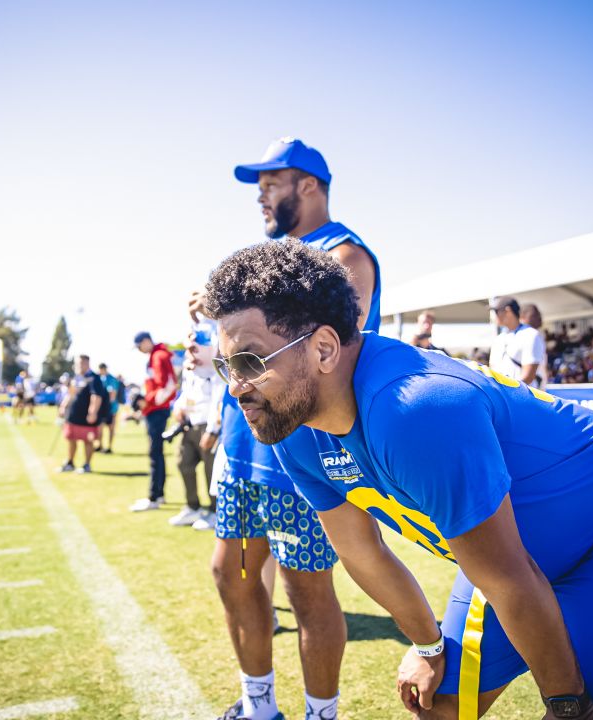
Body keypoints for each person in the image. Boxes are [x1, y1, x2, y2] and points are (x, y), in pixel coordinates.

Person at [204, 240, 593, 720]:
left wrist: (565, 702)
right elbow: (362, 554)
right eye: (226, 365)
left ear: (325, 349)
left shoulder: (414, 409)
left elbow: (509, 576)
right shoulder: (293, 426)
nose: (235, 388)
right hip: (511, 554)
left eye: (250, 361)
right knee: (440, 707)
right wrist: (427, 642)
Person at [188, 138, 379, 720]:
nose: (262, 199)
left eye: (272, 186)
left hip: (304, 463)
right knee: (234, 574)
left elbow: (333, 348)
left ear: (310, 186)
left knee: (307, 592)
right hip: (246, 449)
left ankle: (321, 714)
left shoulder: (346, 255)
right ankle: (258, 707)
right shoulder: (264, 259)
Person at [167, 325, 227, 528]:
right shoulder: (190, 369)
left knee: (211, 471)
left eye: (195, 348)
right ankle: (192, 507)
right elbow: (186, 393)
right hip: (189, 424)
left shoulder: (215, 369)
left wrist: (212, 430)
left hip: (206, 427)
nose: (190, 352)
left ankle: (214, 511)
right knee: (183, 464)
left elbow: (218, 401)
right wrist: (178, 408)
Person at [132, 331, 177, 511]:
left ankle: (155, 496)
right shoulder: (156, 355)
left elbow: (169, 385)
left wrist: (149, 401)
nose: (139, 350)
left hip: (157, 411)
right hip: (156, 410)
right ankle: (158, 494)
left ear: (145, 341)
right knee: (156, 453)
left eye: (139, 345)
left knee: (155, 453)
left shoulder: (159, 355)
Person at [58, 355, 105, 474]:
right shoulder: (76, 377)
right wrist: (63, 406)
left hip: (86, 416)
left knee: (88, 441)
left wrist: (92, 412)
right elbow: (71, 393)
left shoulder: (94, 378)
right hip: (73, 415)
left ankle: (87, 465)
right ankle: (70, 463)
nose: (78, 366)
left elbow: (96, 396)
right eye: (77, 364)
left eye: (81, 363)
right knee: (71, 438)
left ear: (87, 363)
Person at [488, 297, 545, 388]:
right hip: (504, 396)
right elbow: (493, 370)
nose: (495, 316)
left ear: (508, 311)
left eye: (496, 311)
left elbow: (528, 377)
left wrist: (506, 391)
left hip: (524, 398)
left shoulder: (530, 335)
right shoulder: (499, 339)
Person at [520, 303, 548, 388]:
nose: (539, 318)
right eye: (534, 315)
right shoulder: (522, 336)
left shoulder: (537, 335)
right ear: (522, 317)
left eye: (539, 315)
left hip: (538, 386)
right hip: (526, 388)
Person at [97, 363, 122, 453]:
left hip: (111, 408)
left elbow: (112, 395)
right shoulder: (100, 378)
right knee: (100, 427)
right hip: (103, 408)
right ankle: (100, 445)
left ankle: (109, 447)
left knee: (111, 428)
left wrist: (108, 408)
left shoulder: (111, 379)